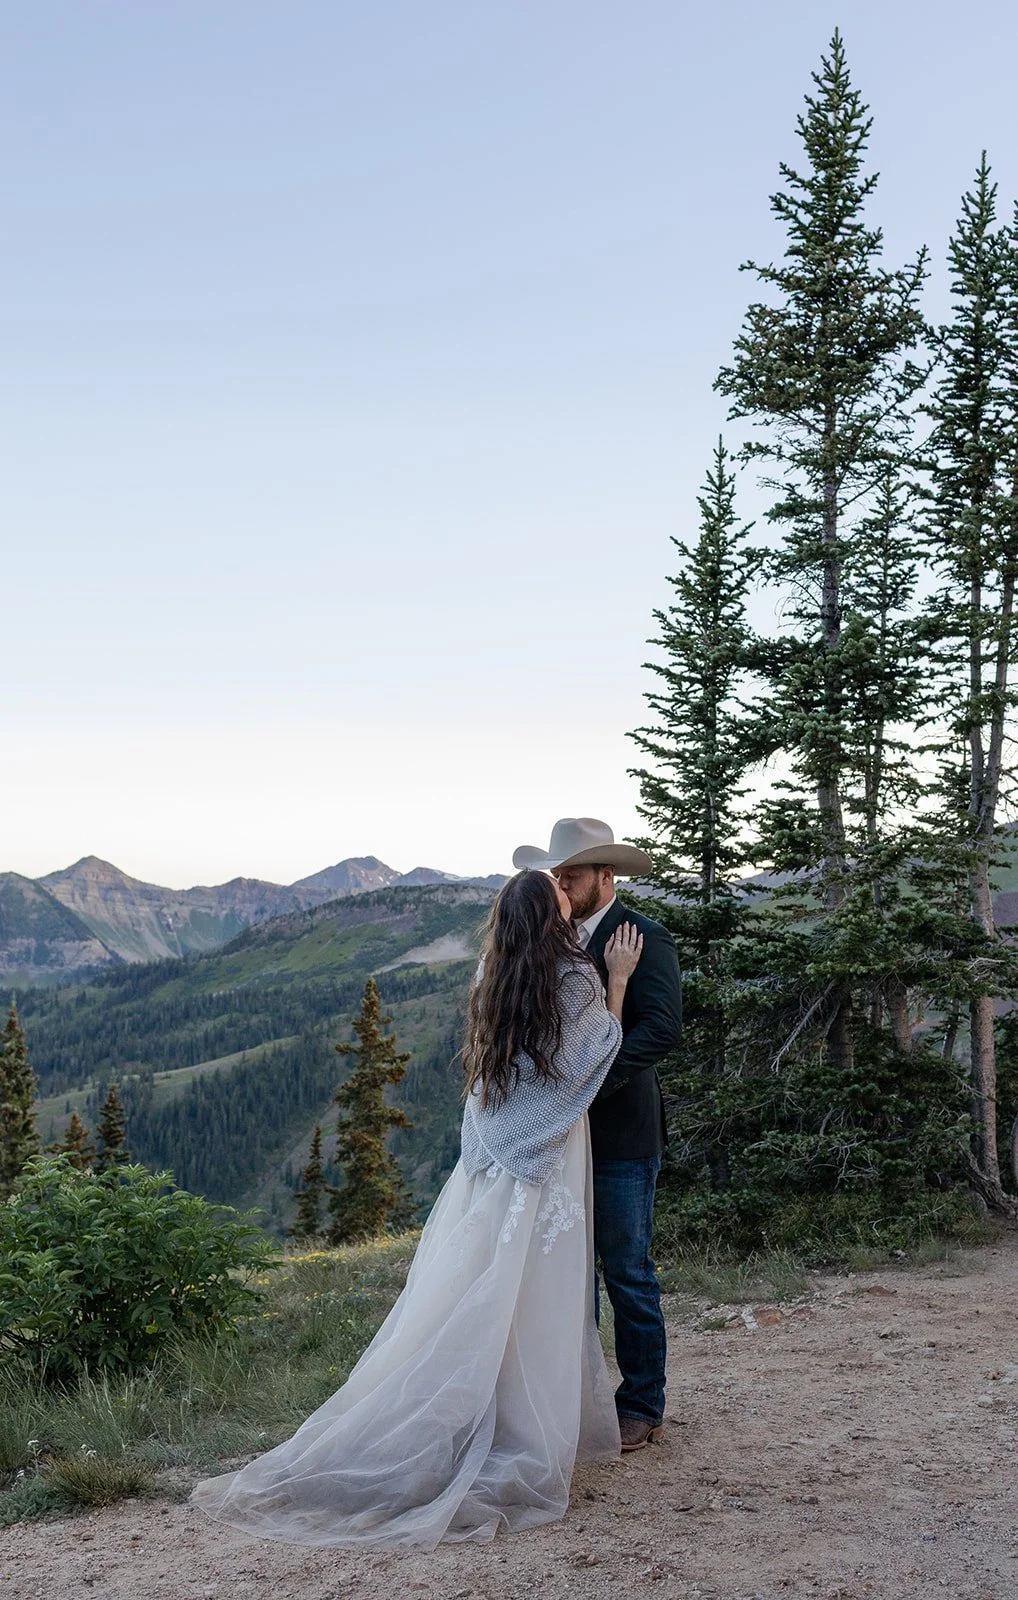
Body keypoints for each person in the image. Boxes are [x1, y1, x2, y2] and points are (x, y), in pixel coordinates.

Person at [192, 869, 643, 1549]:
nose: (566, 900)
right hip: (547, 1153)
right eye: (559, 898)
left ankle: (485, 1413)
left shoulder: (493, 971)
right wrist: (618, 981)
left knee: (489, 1291)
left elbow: (502, 1075)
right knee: (537, 1297)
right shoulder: (576, 977)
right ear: (552, 918)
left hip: (495, 1154)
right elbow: (594, 1054)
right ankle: (523, 1430)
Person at [512, 818, 682, 1452]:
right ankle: (578, 1402)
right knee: (569, 1274)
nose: (564, 884)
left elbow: (661, 1029)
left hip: (621, 1138)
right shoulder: (550, 940)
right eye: (558, 875)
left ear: (605, 877)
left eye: (573, 874)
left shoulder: (643, 937)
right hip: (559, 1136)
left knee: (627, 1270)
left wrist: (588, 1086)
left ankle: (641, 1403)